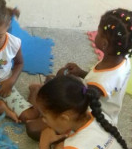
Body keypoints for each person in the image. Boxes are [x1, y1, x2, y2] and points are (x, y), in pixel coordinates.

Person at [27, 8, 132, 140]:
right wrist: (81, 73)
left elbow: (76, 104)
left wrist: (64, 79)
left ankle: (38, 107)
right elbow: (101, 80)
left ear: (104, 44)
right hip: (100, 108)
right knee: (51, 81)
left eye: (98, 33)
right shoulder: (122, 59)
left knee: (32, 128)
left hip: (88, 120)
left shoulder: (99, 84)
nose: (96, 35)